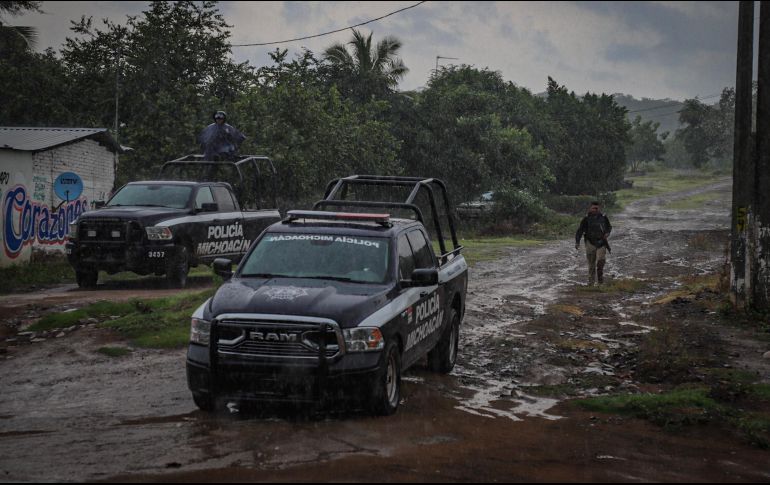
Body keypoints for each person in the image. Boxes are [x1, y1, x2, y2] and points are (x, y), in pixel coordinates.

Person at [575, 201, 612, 285]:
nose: (595, 209)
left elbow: (609, 227)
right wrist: (577, 242)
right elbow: (580, 231)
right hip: (590, 242)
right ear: (590, 208)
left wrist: (607, 233)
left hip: (602, 242)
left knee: (600, 261)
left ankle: (600, 280)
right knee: (591, 264)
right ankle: (591, 282)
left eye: (597, 208)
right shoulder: (586, 218)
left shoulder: (604, 217)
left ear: (599, 208)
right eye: (593, 208)